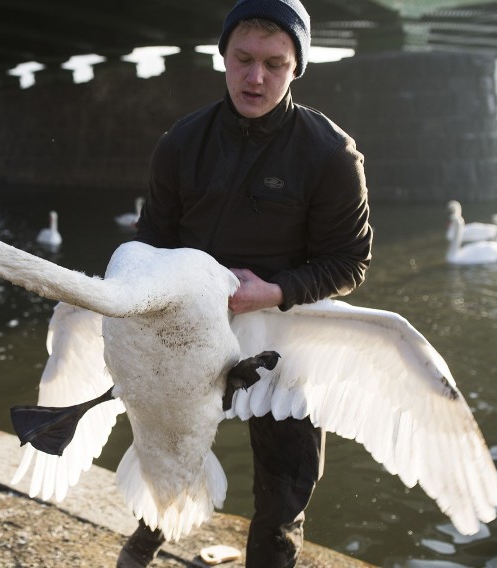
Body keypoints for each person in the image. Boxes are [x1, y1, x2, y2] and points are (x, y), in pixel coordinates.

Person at [118, 0, 373, 566]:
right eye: (244, 59)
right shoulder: (181, 143)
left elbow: (350, 262)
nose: (256, 77)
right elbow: (149, 246)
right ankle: (146, 539)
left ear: (296, 68)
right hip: (190, 332)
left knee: (285, 491)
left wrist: (275, 291)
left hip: (285, 335)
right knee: (171, 449)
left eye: (275, 64)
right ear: (224, 57)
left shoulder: (331, 155)